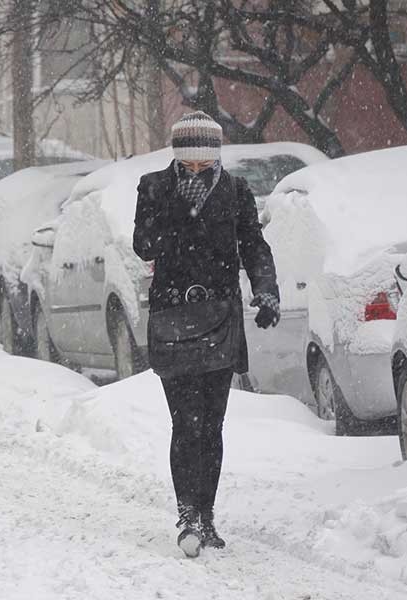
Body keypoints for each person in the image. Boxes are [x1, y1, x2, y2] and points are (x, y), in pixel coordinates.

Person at [132, 111, 280, 558]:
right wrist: (178, 205)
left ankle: (207, 515)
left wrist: (267, 291)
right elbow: (143, 245)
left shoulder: (235, 190)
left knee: (211, 425)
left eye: (203, 162)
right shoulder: (155, 186)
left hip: (219, 317)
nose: (196, 169)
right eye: (188, 163)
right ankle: (187, 514)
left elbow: (254, 244)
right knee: (186, 422)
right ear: (178, 156)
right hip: (174, 316)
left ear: (215, 155)